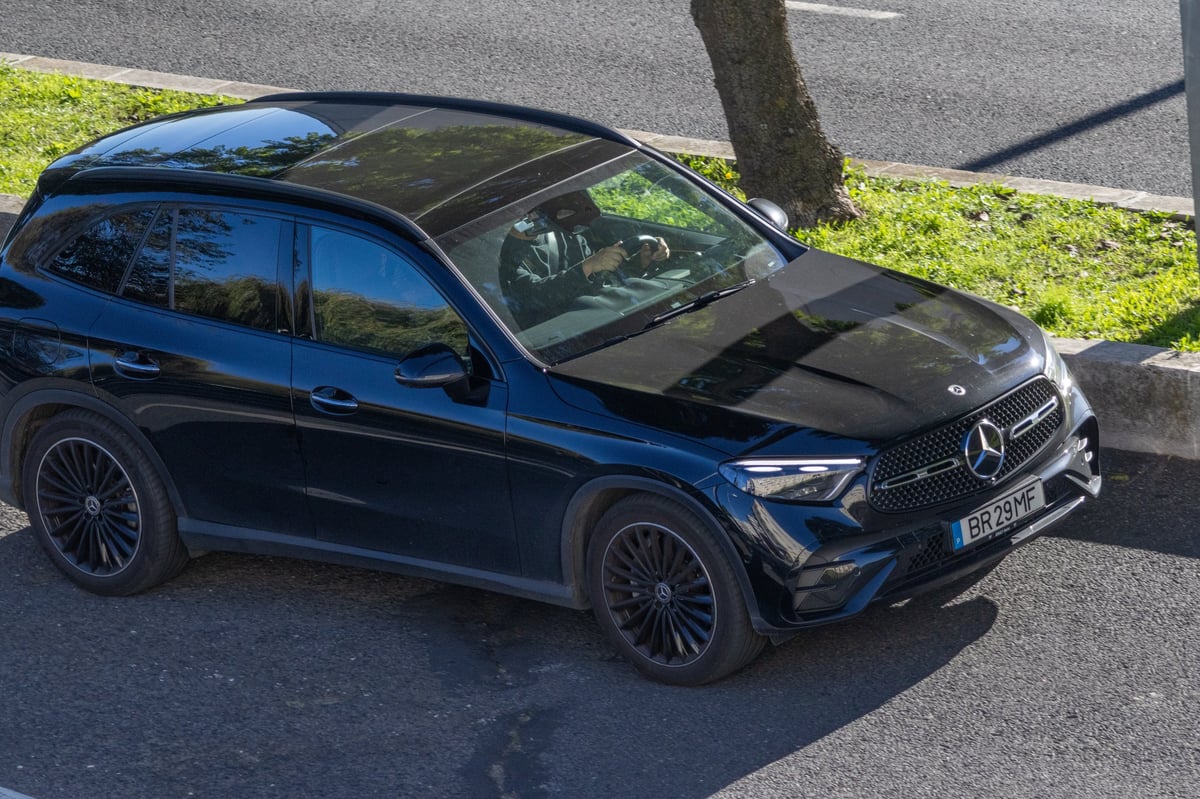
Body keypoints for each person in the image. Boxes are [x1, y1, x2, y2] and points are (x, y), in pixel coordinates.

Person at [498, 190, 669, 329]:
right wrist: (587, 267)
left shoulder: (564, 234)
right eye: (528, 214)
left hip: (593, 318)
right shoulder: (498, 255)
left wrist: (640, 262)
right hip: (550, 335)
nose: (534, 218)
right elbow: (530, 297)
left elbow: (600, 280)